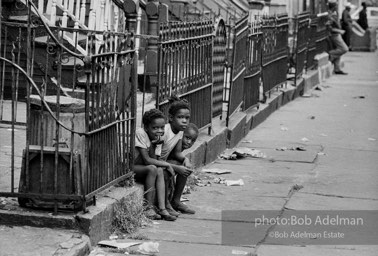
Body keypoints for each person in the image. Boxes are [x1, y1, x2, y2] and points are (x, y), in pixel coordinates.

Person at [134, 109, 177, 221]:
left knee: (158, 170)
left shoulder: (156, 138)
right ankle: (148, 208)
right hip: (131, 169)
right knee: (153, 168)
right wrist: (167, 164)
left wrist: (155, 145)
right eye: (155, 128)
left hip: (143, 168)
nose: (159, 131)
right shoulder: (140, 133)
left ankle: (162, 208)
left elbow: (153, 159)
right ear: (146, 127)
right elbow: (147, 160)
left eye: (162, 128)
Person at [159, 96, 196, 215]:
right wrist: (176, 168)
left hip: (163, 162)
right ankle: (165, 204)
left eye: (187, 118)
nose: (184, 121)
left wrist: (185, 160)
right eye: (180, 117)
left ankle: (176, 201)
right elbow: (155, 158)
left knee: (186, 167)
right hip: (155, 163)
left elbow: (177, 153)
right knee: (165, 172)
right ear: (170, 118)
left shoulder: (180, 131)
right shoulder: (164, 132)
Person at [327, 1, 349, 75]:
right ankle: (330, 55)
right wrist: (339, 30)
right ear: (333, 6)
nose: (337, 7)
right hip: (334, 34)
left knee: (338, 50)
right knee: (344, 49)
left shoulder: (335, 13)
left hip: (337, 33)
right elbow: (329, 27)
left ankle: (337, 68)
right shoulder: (330, 15)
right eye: (336, 6)